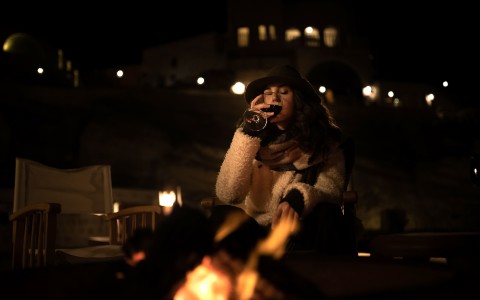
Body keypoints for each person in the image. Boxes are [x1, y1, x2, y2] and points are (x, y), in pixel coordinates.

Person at [215, 64, 355, 255]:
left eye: (284, 92)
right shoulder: (252, 139)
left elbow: (330, 188)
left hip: (301, 226)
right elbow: (229, 193)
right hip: (259, 228)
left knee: (327, 214)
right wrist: (249, 132)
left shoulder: (325, 140)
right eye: (268, 93)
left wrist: (298, 197)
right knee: (222, 217)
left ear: (298, 99)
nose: (274, 98)